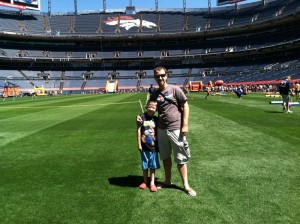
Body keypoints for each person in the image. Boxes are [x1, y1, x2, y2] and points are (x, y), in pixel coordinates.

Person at [137, 66, 196, 197]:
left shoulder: (175, 89)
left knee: (180, 158)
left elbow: (185, 105)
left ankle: (185, 185)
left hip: (176, 128)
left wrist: (185, 125)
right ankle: (167, 180)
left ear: (167, 75)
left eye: (162, 75)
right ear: (155, 78)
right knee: (165, 157)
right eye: (157, 76)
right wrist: (140, 116)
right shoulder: (155, 94)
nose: (160, 78)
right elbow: (150, 109)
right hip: (161, 130)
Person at [137, 100, 160, 192]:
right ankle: (145, 181)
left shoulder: (156, 119)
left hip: (154, 147)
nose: (151, 109)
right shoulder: (141, 117)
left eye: (153, 107)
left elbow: (158, 132)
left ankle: (152, 183)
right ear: (146, 107)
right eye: (149, 107)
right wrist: (139, 143)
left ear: (156, 109)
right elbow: (139, 130)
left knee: (153, 165)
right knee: (145, 164)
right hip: (144, 146)